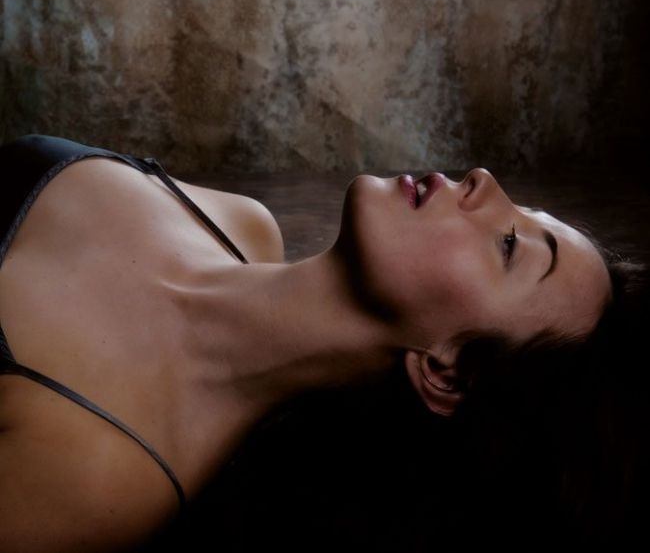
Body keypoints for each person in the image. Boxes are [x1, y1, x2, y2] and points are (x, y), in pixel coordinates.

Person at [0, 134, 645, 552]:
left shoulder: (104, 478)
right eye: (523, 211)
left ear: (445, 372)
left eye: (508, 246)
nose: (484, 179)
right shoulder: (240, 224)